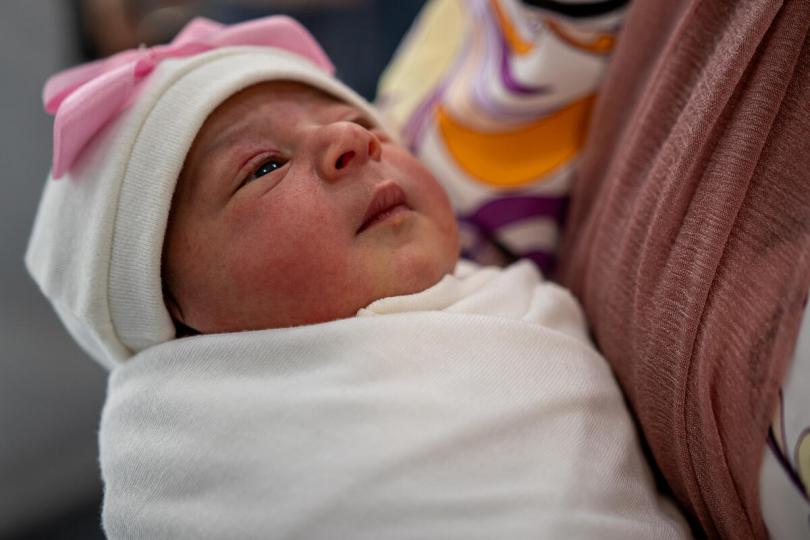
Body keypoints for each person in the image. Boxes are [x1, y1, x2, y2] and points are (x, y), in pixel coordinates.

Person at [27, 15, 688, 539]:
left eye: (365, 122)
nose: (355, 142)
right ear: (172, 309)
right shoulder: (197, 440)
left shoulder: (511, 294)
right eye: (264, 167)